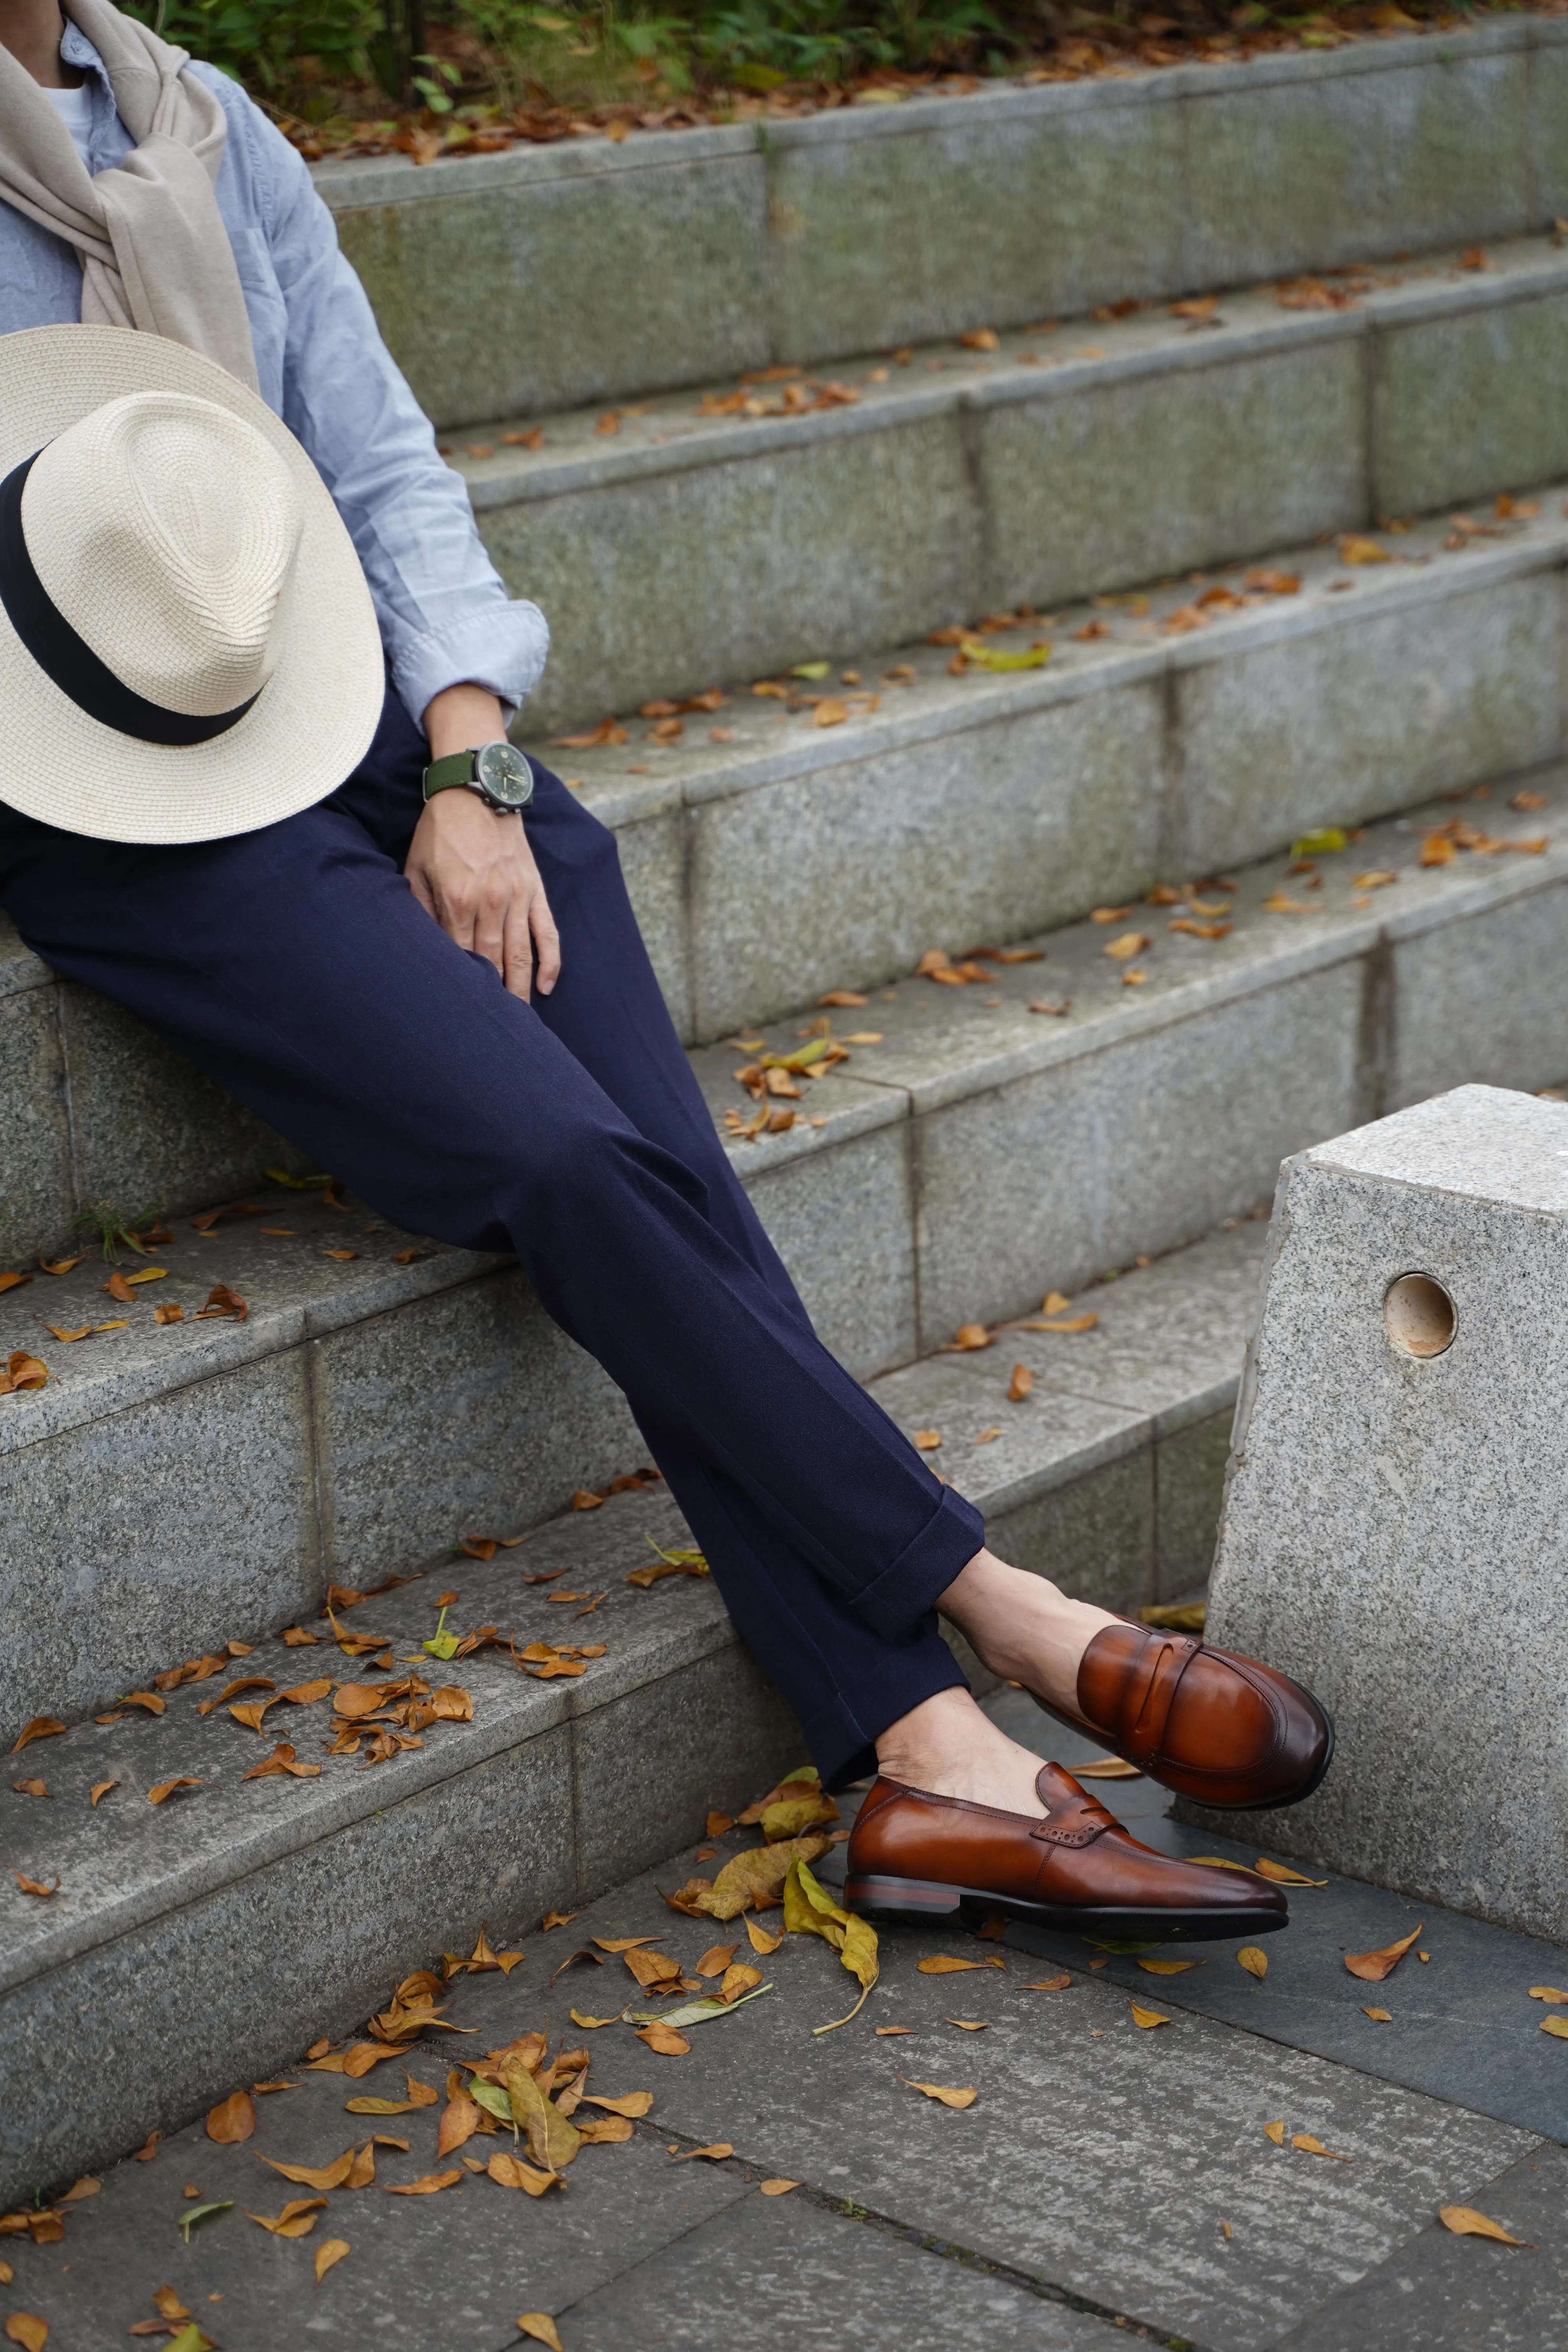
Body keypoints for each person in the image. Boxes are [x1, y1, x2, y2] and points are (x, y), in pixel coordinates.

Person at [0, 0, 1331, 1939]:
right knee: (564, 1165)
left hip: (340, 703)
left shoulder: (189, 113)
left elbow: (374, 460)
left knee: (653, 1149)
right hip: (121, 797)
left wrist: (467, 760)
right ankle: (1004, 1618)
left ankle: (927, 1762)